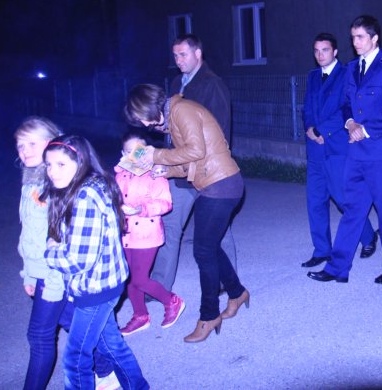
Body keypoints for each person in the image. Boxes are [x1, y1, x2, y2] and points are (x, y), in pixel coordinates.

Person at [124, 84, 248, 343]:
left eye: (142, 117)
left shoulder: (182, 110)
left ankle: (209, 315)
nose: (144, 124)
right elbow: (191, 161)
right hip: (214, 183)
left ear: (148, 106)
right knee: (210, 247)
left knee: (203, 251)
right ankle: (237, 293)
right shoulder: (175, 116)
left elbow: (196, 151)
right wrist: (165, 170)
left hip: (221, 184)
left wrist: (156, 155)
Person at [307, 14, 382, 284]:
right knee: (352, 209)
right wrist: (350, 122)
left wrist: (364, 129)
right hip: (356, 151)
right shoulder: (352, 68)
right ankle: (338, 268)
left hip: (380, 152)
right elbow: (346, 104)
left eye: (360, 37)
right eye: (353, 37)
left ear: (375, 38)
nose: (355, 42)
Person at [42, 135, 148, 389]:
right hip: (106, 282)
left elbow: (79, 260)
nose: (53, 171)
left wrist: (49, 253)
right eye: (49, 165)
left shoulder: (84, 197)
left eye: (61, 164)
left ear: (80, 162)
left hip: (96, 288)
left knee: (75, 359)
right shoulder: (91, 185)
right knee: (112, 346)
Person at [151, 34, 237, 294]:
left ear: (198, 54)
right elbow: (175, 126)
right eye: (175, 55)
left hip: (208, 171)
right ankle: (159, 286)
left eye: (183, 54)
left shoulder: (212, 85)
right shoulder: (177, 83)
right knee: (170, 227)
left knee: (218, 230)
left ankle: (227, 281)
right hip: (180, 171)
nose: (178, 60)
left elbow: (219, 131)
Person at [301, 33, 377, 268]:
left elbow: (347, 108)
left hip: (336, 147)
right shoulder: (313, 76)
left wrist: (322, 130)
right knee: (315, 202)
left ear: (334, 52)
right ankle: (322, 250)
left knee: (344, 199)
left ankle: (368, 237)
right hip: (315, 148)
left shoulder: (346, 74)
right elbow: (307, 107)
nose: (320, 55)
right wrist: (310, 128)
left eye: (325, 50)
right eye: (316, 50)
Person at [114, 130, 185, 336]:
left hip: (147, 233)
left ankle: (172, 301)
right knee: (129, 278)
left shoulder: (154, 173)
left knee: (140, 279)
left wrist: (141, 209)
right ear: (123, 153)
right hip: (126, 233)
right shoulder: (120, 174)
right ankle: (140, 316)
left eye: (139, 151)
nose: (134, 156)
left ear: (146, 151)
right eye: (129, 151)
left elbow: (165, 203)